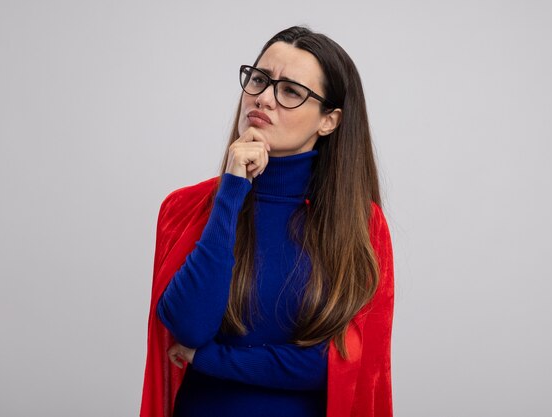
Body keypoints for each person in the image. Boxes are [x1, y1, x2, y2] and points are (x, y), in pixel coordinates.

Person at [140, 26, 394, 417]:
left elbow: (341, 363)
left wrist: (210, 359)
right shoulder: (185, 208)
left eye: (290, 91)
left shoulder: (360, 224)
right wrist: (231, 190)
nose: (262, 97)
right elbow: (188, 326)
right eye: (259, 80)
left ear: (329, 120)